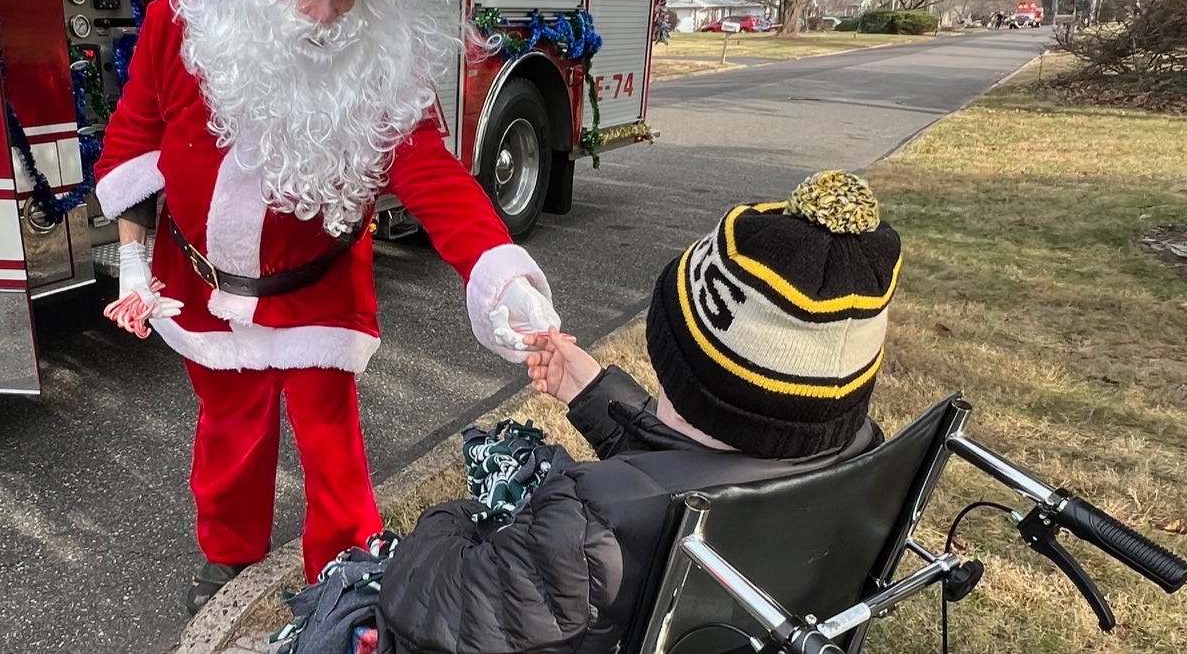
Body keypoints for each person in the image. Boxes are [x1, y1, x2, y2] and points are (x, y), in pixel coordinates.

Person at [92, 0, 562, 613]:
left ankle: (347, 571)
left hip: (319, 287)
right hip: (202, 284)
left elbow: (428, 168)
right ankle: (230, 553)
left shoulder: (378, 52)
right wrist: (132, 261)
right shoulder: (180, 25)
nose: (323, 14)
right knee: (230, 426)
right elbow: (134, 139)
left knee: (329, 437)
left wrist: (497, 267)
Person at [373, 170, 902, 654]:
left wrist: (455, 518)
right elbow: (693, 468)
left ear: (683, 374)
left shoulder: (588, 527)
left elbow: (429, 599)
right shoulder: (859, 457)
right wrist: (594, 393)